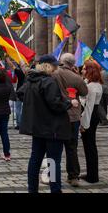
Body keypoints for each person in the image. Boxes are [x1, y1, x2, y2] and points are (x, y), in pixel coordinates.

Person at [18, 54, 79, 194]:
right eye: (54, 66)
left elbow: (20, 94)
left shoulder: (31, 80)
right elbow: (55, 104)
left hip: (37, 128)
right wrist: (70, 103)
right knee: (53, 162)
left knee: (35, 159)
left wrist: (36, 104)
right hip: (52, 129)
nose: (56, 68)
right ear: (48, 66)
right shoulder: (48, 82)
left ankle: (32, 189)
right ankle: (55, 190)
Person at [52, 53, 89, 187]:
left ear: (61, 61)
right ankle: (73, 177)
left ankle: (51, 175)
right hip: (72, 116)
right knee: (72, 147)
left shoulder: (53, 74)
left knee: (53, 148)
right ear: (73, 64)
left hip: (56, 114)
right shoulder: (76, 78)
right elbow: (85, 92)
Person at [79, 61, 103, 184]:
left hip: (91, 116)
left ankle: (92, 176)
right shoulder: (95, 84)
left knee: (90, 146)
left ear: (90, 71)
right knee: (90, 146)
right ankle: (91, 173)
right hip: (93, 115)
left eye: (84, 69)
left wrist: (84, 124)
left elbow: (89, 108)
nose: (82, 70)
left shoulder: (92, 86)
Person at [5, 57, 26, 130]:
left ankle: (19, 124)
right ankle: (24, 123)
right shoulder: (29, 72)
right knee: (24, 109)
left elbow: (12, 66)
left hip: (20, 92)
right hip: (27, 92)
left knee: (18, 109)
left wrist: (8, 60)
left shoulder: (20, 73)